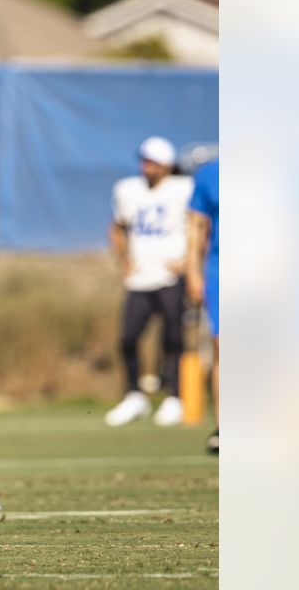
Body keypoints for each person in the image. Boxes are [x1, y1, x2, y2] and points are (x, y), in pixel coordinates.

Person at [103, 137, 194, 427]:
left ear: (166, 165)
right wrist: (123, 260)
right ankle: (134, 396)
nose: (146, 167)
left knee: (173, 338)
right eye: (144, 161)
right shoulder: (128, 190)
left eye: (152, 161)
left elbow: (200, 225)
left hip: (171, 276)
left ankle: (175, 397)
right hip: (141, 277)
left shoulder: (183, 189)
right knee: (128, 338)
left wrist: (188, 263)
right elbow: (117, 227)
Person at [186, 159, 219, 453]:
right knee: (223, 345)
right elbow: (197, 224)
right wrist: (194, 272)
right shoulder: (210, 174)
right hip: (221, 268)